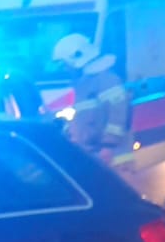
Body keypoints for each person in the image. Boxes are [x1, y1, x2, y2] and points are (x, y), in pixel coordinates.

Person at [51, 33, 128, 162]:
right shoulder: (84, 84)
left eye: (65, 64)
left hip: (110, 155)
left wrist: (108, 146)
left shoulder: (105, 80)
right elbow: (83, 118)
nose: (65, 69)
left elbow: (118, 114)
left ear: (76, 57)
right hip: (93, 153)